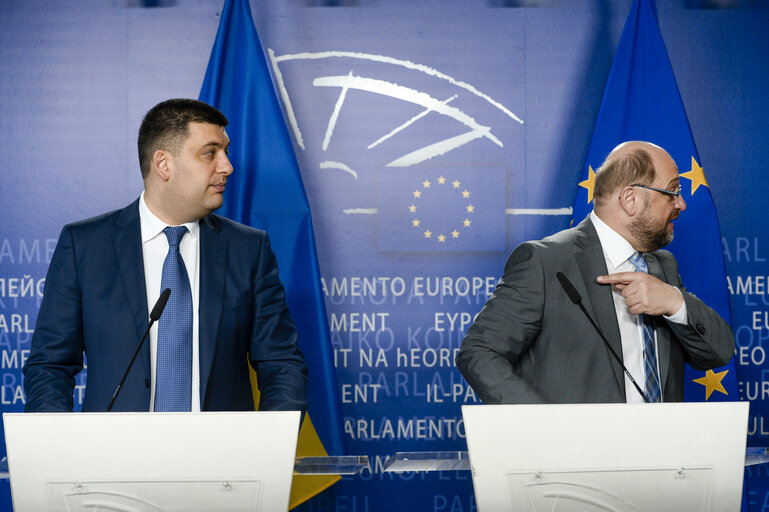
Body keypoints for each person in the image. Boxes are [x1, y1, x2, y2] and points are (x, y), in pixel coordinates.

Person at [24, 98, 308, 413]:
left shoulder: (248, 249)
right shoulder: (85, 246)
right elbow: (50, 366)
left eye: (225, 152)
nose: (227, 166)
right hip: (115, 457)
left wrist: (269, 447)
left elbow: (282, 364)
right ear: (164, 164)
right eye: (210, 153)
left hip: (224, 458)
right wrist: (59, 452)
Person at [456, 141, 734, 404]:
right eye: (673, 192)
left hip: (661, 450)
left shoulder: (664, 266)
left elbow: (718, 353)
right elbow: (480, 352)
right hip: (575, 451)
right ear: (630, 198)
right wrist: (542, 426)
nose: (681, 203)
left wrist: (675, 302)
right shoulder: (544, 261)